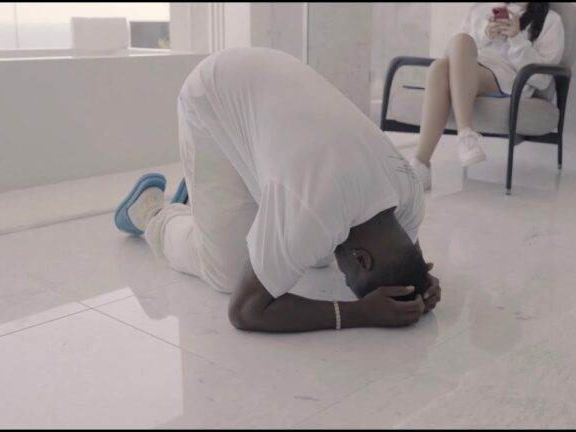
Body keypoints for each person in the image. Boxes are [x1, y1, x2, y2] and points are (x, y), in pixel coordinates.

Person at [114, 48, 442, 333]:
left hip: (263, 82)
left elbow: (404, 251)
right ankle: (154, 214)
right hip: (212, 94)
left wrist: (420, 283)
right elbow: (245, 310)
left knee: (313, 250)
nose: (343, 278)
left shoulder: (408, 188)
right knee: (227, 273)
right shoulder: (313, 207)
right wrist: (360, 313)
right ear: (361, 259)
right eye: (349, 277)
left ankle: (206, 199)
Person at [410, 2, 565, 190]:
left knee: (440, 67)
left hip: (504, 76)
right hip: (470, 66)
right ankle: (453, 144)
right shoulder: (481, 8)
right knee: (445, 59)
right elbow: (456, 50)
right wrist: (486, 34)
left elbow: (543, 78)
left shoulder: (551, 21)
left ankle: (426, 159)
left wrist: (516, 38)